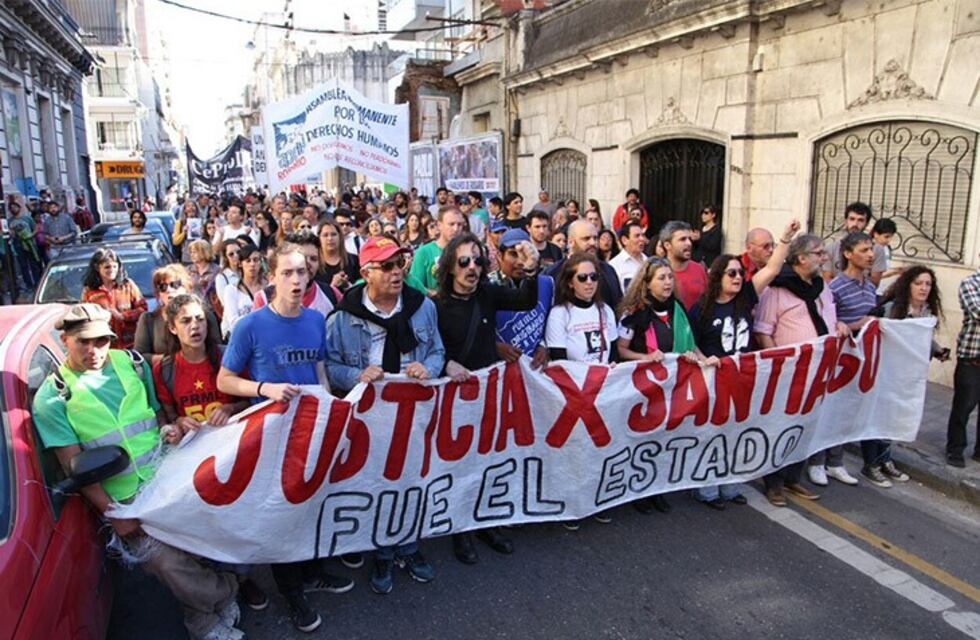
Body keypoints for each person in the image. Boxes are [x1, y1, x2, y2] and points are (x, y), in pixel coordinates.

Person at [32, 304, 242, 640]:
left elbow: (156, 416)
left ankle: (202, 620)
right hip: (125, 499)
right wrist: (113, 512)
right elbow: (74, 466)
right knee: (167, 565)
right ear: (65, 340)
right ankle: (225, 591)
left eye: (102, 340)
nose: (94, 350)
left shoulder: (133, 363)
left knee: (189, 552)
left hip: (166, 478)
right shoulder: (52, 398)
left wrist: (170, 429)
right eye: (84, 342)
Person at [217, 244, 351, 634]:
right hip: (271, 436)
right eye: (287, 273)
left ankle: (312, 573)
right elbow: (224, 380)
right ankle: (292, 592)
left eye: (302, 273)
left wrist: (330, 409)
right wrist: (264, 387)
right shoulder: (251, 325)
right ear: (271, 277)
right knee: (282, 513)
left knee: (312, 505)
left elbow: (320, 370)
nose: (296, 279)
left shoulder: (313, 320)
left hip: (312, 430)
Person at [325, 236, 443, 594]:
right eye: (387, 266)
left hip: (413, 412)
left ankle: (409, 546)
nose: (398, 272)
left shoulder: (422, 307)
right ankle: (382, 552)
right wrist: (355, 376)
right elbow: (330, 366)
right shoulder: (344, 317)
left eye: (400, 263)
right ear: (366, 273)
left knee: (412, 482)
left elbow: (437, 350)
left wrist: (429, 368)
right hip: (370, 418)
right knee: (379, 486)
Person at [434, 232, 539, 565]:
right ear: (450, 265)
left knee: (488, 463)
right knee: (459, 466)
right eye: (464, 261)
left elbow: (524, 301)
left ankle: (486, 524)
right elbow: (424, 350)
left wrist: (532, 270)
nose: (472, 268)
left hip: (490, 392)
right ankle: (460, 530)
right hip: (453, 399)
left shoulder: (488, 294)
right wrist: (444, 365)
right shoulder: (434, 306)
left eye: (478, 260)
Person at [687, 221, 802, 508]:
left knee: (737, 433)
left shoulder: (746, 297)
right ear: (717, 277)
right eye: (731, 273)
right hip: (714, 381)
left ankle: (731, 484)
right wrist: (704, 360)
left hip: (743, 379)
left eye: (740, 272)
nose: (738, 277)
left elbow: (772, 269)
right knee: (712, 435)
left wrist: (785, 238)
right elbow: (689, 343)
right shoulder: (701, 308)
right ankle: (706, 488)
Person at [754, 235, 852, 502]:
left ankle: (792, 478)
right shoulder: (777, 289)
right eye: (818, 253)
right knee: (781, 427)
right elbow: (764, 330)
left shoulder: (821, 286)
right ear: (801, 258)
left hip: (818, 370)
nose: (824, 258)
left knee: (805, 426)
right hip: (788, 372)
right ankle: (773, 482)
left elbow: (829, 316)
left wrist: (840, 326)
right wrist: (778, 364)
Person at [616, 257, 705, 514]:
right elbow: (621, 350)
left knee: (665, 438)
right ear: (647, 283)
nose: (668, 283)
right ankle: (637, 491)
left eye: (669, 277)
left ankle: (656, 488)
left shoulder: (677, 308)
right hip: (644, 388)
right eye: (661, 278)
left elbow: (690, 344)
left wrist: (701, 359)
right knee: (641, 440)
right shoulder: (633, 313)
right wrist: (645, 357)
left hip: (672, 387)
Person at [830, 231, 902, 489]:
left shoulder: (870, 288)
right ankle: (832, 462)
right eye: (864, 250)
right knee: (839, 413)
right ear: (848, 254)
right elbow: (830, 326)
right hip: (843, 364)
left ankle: (876, 461)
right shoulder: (834, 288)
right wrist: (858, 324)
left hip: (867, 363)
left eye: (871, 249)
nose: (871, 255)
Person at [491, 229, 552, 370]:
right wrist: (494, 346)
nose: (520, 261)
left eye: (524, 254)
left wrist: (543, 345)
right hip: (499, 371)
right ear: (500, 256)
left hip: (535, 371)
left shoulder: (547, 284)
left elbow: (552, 320)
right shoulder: (487, 286)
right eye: (513, 254)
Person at [134, 264, 221, 361]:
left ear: (187, 287)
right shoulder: (148, 319)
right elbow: (139, 356)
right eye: (163, 287)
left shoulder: (205, 315)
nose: (169, 290)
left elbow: (217, 349)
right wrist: (171, 360)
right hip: (164, 373)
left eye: (175, 285)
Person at [252, 232, 339, 319]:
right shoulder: (264, 298)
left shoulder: (332, 295)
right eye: (302, 258)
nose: (308, 264)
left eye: (313, 259)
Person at [946, 261, 980, 467]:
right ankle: (955, 449)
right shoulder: (971, 283)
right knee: (963, 406)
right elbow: (978, 311)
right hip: (972, 357)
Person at [547, 221, 623, 313]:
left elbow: (619, 305)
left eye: (595, 238)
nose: (593, 242)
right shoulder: (553, 274)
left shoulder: (608, 271)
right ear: (571, 242)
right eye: (586, 238)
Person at [81, 248, 147, 349]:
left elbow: (143, 308)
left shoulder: (127, 285)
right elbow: (85, 318)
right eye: (107, 267)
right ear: (97, 268)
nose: (112, 270)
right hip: (104, 346)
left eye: (115, 266)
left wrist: (123, 316)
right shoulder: (89, 291)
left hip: (130, 344)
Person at [821, 202, 888, 286]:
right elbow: (827, 278)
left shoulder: (877, 250)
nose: (855, 224)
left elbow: (874, 282)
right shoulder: (831, 247)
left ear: (866, 223)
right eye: (852, 219)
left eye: (860, 220)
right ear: (846, 221)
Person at [409, 206, 467, 294]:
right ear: (439, 225)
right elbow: (414, 286)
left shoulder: (467, 251)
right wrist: (431, 294)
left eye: (459, 225)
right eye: (451, 224)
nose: (456, 229)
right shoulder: (424, 252)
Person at [221, 244, 267, 341]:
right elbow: (233, 322)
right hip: (240, 338)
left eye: (256, 260)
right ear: (240, 264)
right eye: (248, 260)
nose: (252, 264)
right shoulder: (231, 290)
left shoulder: (268, 287)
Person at [661, 221, 706, 310]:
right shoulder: (656, 272)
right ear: (667, 245)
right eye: (682, 239)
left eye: (689, 239)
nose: (689, 243)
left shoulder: (699, 269)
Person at [316, 219, 359, 293]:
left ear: (340, 236)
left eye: (333, 234)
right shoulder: (314, 263)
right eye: (325, 235)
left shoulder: (354, 260)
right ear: (319, 238)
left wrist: (347, 285)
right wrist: (333, 286)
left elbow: (360, 290)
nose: (330, 238)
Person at [9, 200, 42, 293]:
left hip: (30, 244)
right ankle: (29, 285)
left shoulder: (27, 218)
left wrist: (31, 235)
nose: (13, 209)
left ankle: (37, 283)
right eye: (11, 208)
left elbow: (35, 228)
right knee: (23, 266)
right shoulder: (10, 221)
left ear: (19, 208)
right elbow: (10, 234)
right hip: (18, 245)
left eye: (15, 207)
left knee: (33, 264)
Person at [608, 220, 648, 293]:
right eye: (637, 236)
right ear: (624, 240)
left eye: (643, 235)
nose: (642, 239)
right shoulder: (614, 265)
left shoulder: (648, 261)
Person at [870, 218, 903, 296]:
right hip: (874, 291)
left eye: (891, 237)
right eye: (886, 237)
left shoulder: (887, 248)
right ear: (876, 234)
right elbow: (872, 275)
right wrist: (893, 272)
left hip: (885, 291)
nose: (889, 240)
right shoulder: (870, 249)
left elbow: (886, 268)